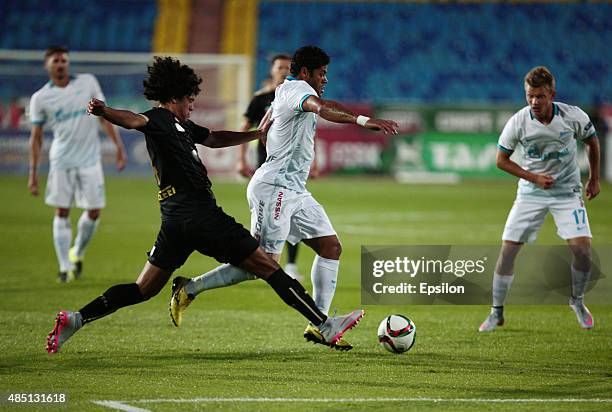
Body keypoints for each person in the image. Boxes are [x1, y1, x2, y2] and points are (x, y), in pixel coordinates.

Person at [45, 56, 364, 354]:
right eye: (190, 100)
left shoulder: (182, 126)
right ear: (175, 97)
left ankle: (77, 318)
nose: (192, 105)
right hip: (201, 215)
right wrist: (105, 112)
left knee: (143, 288)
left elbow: (213, 138)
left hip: (173, 221)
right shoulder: (157, 118)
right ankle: (323, 323)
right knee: (269, 266)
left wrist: (256, 134)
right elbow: (132, 120)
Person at [169, 45, 398, 350]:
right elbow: (322, 107)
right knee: (264, 265)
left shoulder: (285, 91)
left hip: (295, 189)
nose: (325, 79)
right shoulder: (297, 90)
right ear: (305, 73)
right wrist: (361, 120)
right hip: (274, 188)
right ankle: (190, 288)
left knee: (330, 247)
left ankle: (320, 324)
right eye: (322, 73)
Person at [479, 66, 600, 332]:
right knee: (507, 252)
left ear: (552, 94)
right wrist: (534, 178)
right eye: (530, 96)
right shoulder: (518, 122)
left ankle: (577, 301)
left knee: (582, 251)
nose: (534, 102)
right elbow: (501, 161)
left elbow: (592, 142)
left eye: (540, 96)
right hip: (530, 194)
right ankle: (496, 312)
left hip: (567, 193)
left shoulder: (572, 116)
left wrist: (593, 178)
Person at [28, 46, 128, 282]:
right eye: (56, 61)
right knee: (62, 210)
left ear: (68, 63)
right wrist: (33, 173)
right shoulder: (40, 98)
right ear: (47, 65)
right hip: (61, 160)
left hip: (90, 160)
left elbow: (104, 116)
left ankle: (77, 253)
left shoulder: (88, 82)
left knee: (94, 212)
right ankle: (64, 268)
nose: (60, 64)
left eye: (64, 60)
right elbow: (37, 137)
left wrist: (119, 146)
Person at [237, 53, 308, 280]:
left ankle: (291, 266)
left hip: (292, 170)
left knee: (290, 217)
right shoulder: (261, 99)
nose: (284, 71)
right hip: (267, 167)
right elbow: (246, 126)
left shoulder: (299, 97)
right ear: (272, 71)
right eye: (280, 67)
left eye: (288, 67)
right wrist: (241, 158)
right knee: (269, 221)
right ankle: (255, 261)